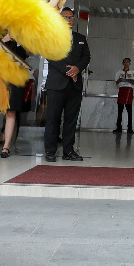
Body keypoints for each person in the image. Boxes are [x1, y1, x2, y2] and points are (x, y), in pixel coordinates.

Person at [43, 8, 90, 162]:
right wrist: (68, 70)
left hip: (75, 85)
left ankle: (68, 150)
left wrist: (78, 68)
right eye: (65, 17)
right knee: (53, 118)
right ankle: (50, 150)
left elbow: (86, 57)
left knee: (71, 119)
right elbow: (50, 56)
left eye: (71, 18)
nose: (68, 20)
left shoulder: (80, 38)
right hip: (56, 84)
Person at [0, 38, 31, 158]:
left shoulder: (23, 37)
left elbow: (27, 54)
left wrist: (20, 42)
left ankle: (6, 146)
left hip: (15, 78)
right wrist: (1, 40)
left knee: (11, 112)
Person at [113, 57, 134, 133]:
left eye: (127, 62)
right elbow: (116, 81)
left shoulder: (133, 72)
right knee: (120, 110)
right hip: (121, 90)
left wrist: (130, 80)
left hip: (129, 91)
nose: (126, 63)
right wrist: (119, 80)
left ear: (130, 63)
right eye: (125, 62)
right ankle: (118, 128)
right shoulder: (119, 72)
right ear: (123, 63)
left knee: (129, 111)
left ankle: (130, 128)